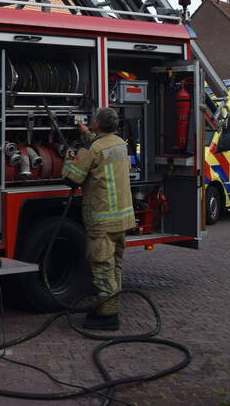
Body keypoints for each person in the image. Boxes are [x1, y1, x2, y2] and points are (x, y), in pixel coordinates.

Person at [63, 107, 134, 331]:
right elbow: (99, 147)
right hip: (122, 218)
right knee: (115, 266)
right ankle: (107, 305)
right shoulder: (120, 143)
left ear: (97, 124)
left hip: (101, 220)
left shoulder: (91, 150)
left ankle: (108, 316)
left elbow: (72, 179)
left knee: (102, 266)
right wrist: (85, 132)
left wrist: (69, 160)